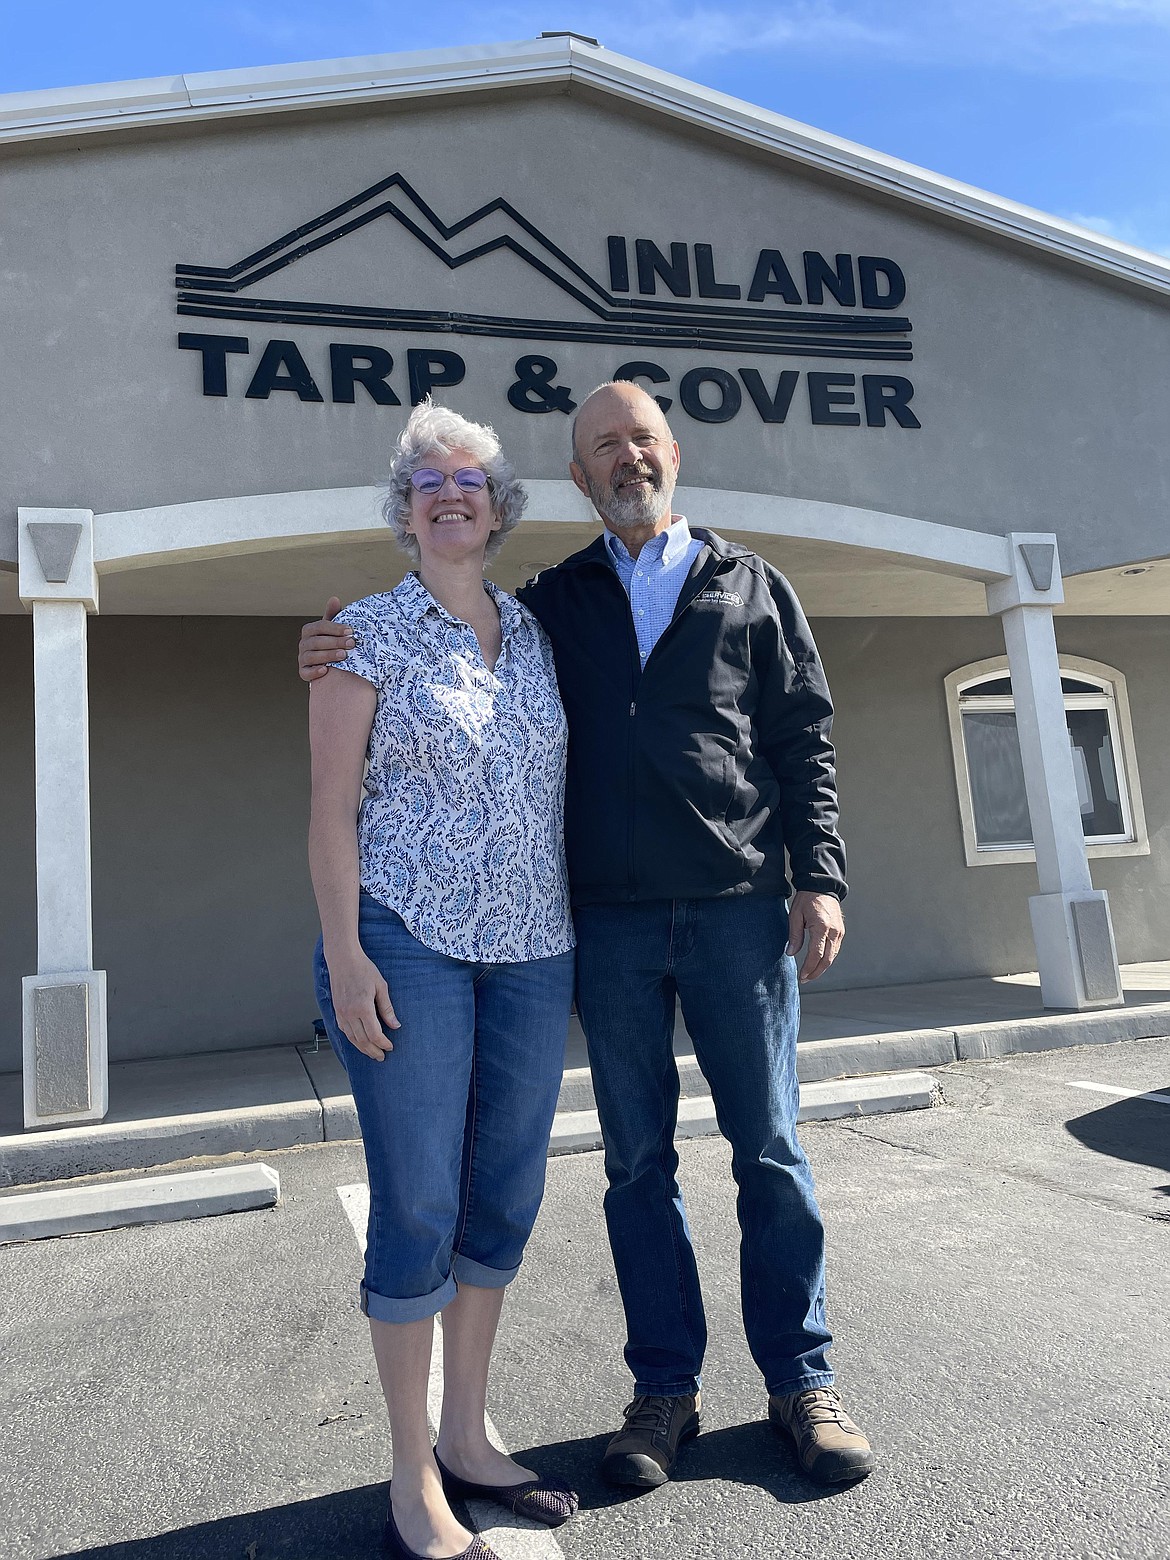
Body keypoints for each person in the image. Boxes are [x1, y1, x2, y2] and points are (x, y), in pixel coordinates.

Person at [301, 380, 874, 1493]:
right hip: (604, 922)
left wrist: (822, 877)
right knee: (635, 1165)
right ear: (576, 478)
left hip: (736, 912)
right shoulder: (551, 604)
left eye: (642, 439)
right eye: (604, 447)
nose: (627, 458)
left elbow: (806, 734)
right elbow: (422, 657)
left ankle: (803, 1380)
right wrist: (327, 652)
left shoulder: (750, 584)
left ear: (674, 452)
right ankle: (664, 1390)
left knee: (770, 1153)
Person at [307, 400, 579, 1560]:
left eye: (471, 477)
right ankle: (412, 1472)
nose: (451, 491)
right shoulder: (358, 633)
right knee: (416, 1200)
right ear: (405, 512)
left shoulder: (538, 634)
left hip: (533, 946)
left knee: (504, 1193)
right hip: (406, 938)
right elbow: (327, 812)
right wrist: (347, 950)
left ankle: (468, 1434)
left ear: (500, 505)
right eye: (428, 481)